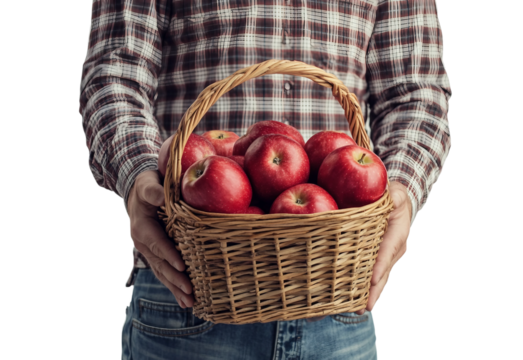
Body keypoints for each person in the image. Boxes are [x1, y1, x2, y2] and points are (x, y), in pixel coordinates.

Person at [78, 0, 452, 358]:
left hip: (338, 283)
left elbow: (416, 95)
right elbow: (114, 73)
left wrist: (400, 188)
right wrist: (140, 177)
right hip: (192, 281)